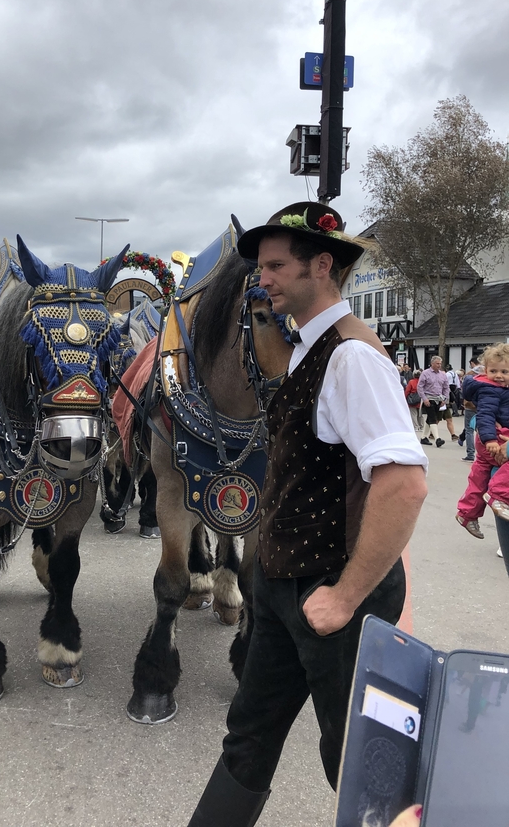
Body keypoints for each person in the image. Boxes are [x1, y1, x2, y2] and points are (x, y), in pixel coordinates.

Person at [186, 202, 428, 827]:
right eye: (260, 266)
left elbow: (403, 486)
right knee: (249, 734)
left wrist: (347, 598)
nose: (262, 278)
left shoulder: (352, 358)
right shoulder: (307, 351)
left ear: (322, 266)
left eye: (275, 266)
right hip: (281, 587)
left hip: (331, 598)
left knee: (361, 762)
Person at [455, 344, 509, 540]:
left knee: (479, 475)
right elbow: (485, 415)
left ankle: (467, 514)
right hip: (493, 438)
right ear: (485, 371)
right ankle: (500, 496)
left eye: (504, 372)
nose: (499, 376)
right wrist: (490, 440)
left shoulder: (497, 389)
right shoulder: (492, 390)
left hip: (491, 438)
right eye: (493, 371)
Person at [417, 356, 452, 447]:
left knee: (430, 418)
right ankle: (437, 439)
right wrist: (424, 398)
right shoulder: (425, 373)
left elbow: (446, 388)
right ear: (432, 364)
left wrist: (445, 399)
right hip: (429, 398)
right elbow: (420, 387)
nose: (439, 365)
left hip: (438, 399)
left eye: (440, 363)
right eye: (437, 363)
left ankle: (424, 437)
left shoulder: (443, 375)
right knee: (433, 418)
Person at [458, 356, 483, 462]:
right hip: (482, 404)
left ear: (473, 364)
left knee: (469, 430)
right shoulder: (488, 374)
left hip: (470, 405)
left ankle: (470, 454)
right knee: (482, 429)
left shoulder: (469, 375)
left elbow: (464, 391)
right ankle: (483, 454)